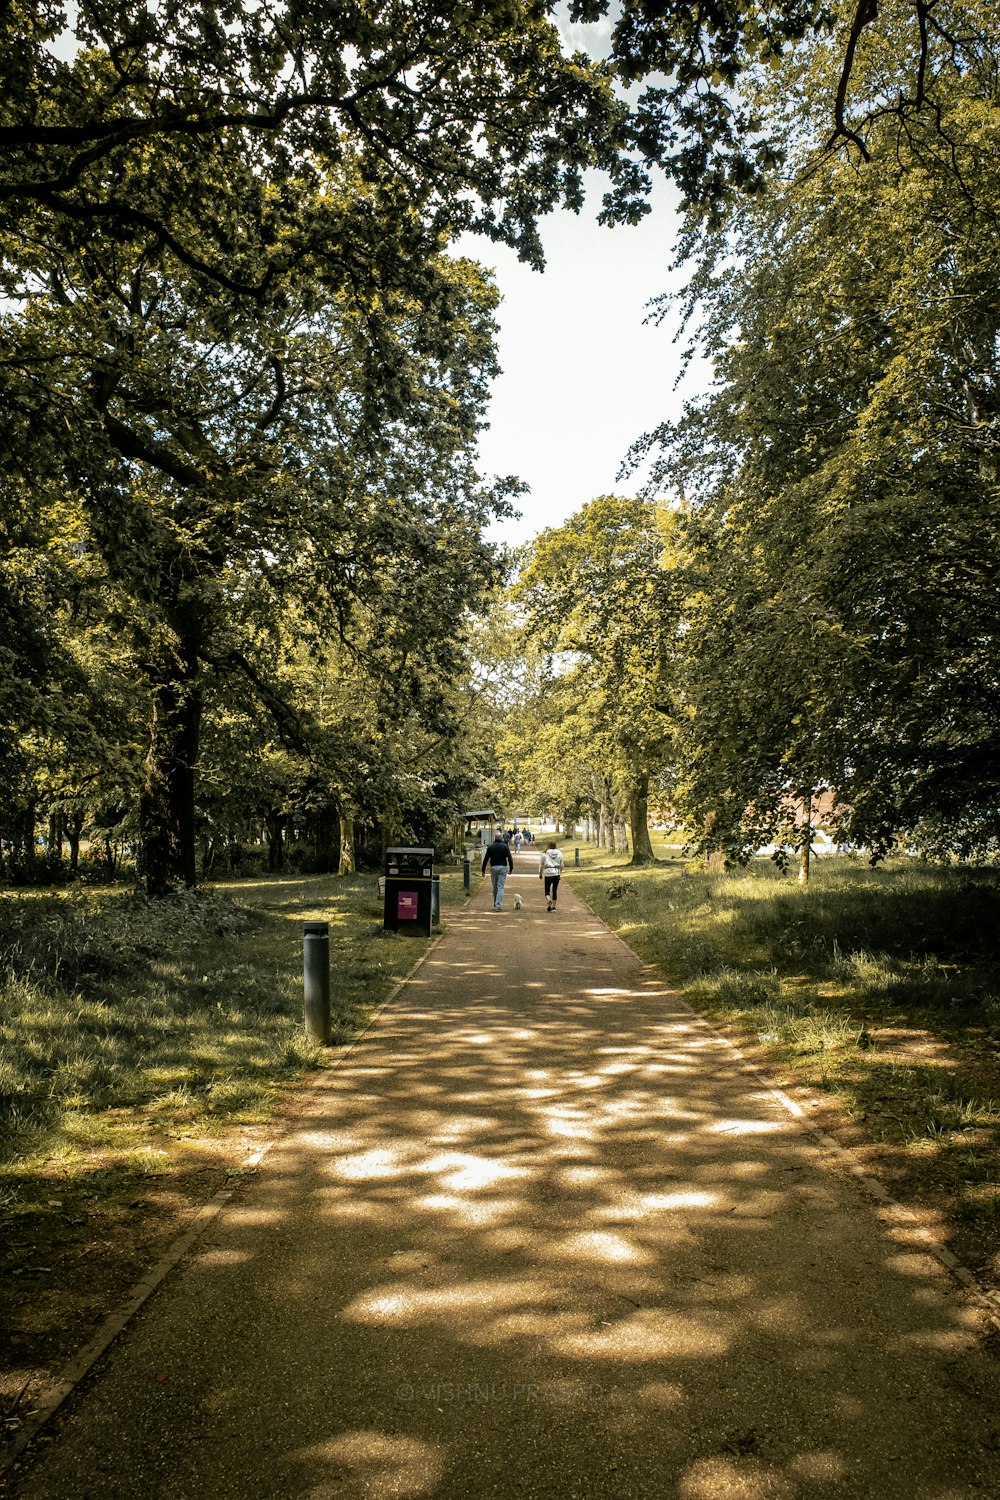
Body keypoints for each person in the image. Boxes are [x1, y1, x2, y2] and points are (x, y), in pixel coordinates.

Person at [482, 832, 514, 910]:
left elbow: (486, 859)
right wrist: (511, 868)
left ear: (495, 838)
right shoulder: (505, 846)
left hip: (493, 867)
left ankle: (496, 902)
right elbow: (510, 858)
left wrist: (483, 870)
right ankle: (498, 905)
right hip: (503, 867)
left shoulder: (491, 847)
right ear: (501, 838)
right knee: (500, 887)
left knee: (495, 886)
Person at [538, 841, 564, 911]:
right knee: (554, 890)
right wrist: (560, 871)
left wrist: (540, 874)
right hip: (556, 873)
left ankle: (549, 900)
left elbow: (541, 865)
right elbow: (562, 864)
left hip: (548, 873)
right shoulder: (559, 853)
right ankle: (554, 907)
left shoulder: (544, 853)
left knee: (547, 890)